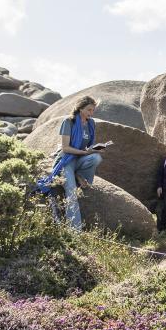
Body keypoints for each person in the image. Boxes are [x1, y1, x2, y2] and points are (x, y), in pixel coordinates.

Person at [58, 95, 103, 230]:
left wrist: (95, 149)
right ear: (80, 108)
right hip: (67, 160)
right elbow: (65, 148)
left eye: (93, 110)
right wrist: (84, 152)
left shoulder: (91, 123)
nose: (91, 113)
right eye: (89, 110)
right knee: (71, 192)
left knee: (97, 158)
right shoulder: (69, 122)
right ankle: (75, 231)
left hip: (80, 159)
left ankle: (80, 175)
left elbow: (88, 146)